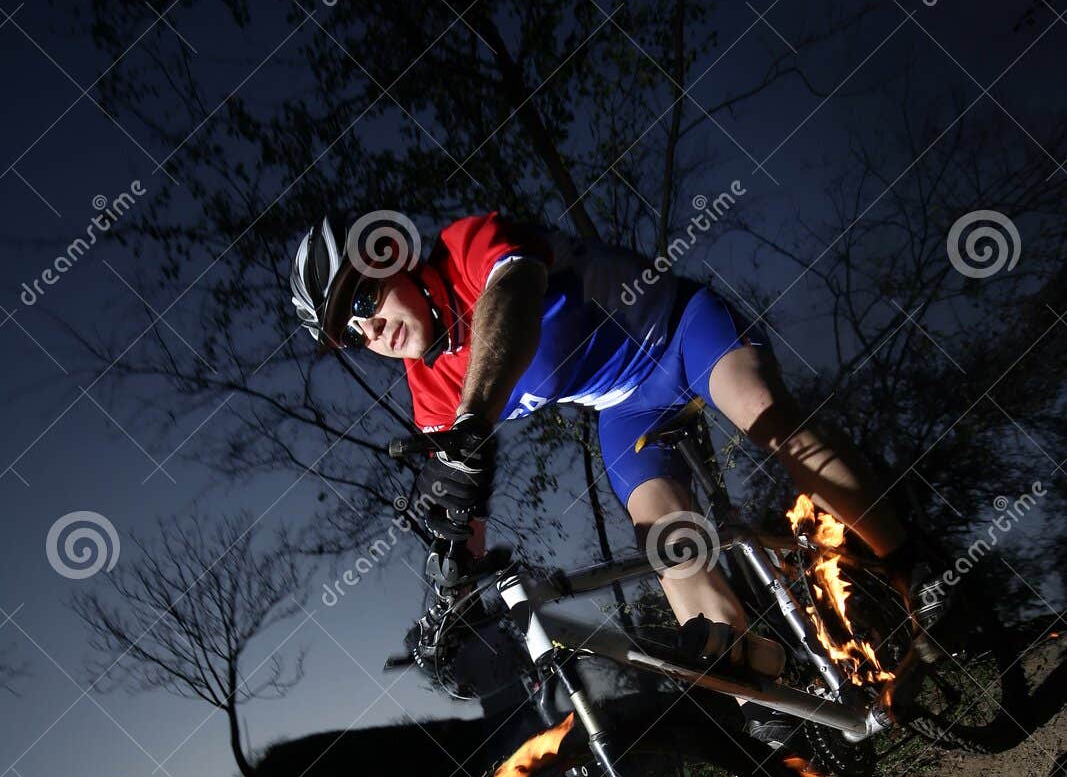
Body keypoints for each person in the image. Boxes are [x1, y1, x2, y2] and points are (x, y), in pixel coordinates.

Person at [290, 210, 938, 732]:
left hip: (683, 330)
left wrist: (473, 418)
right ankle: (765, 698)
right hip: (626, 408)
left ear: (394, 258)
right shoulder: (428, 387)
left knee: (770, 421)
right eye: (348, 332)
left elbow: (511, 300)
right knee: (667, 545)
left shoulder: (466, 246)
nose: (367, 325)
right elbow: (461, 503)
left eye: (364, 296)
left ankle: (918, 569)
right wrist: (447, 592)